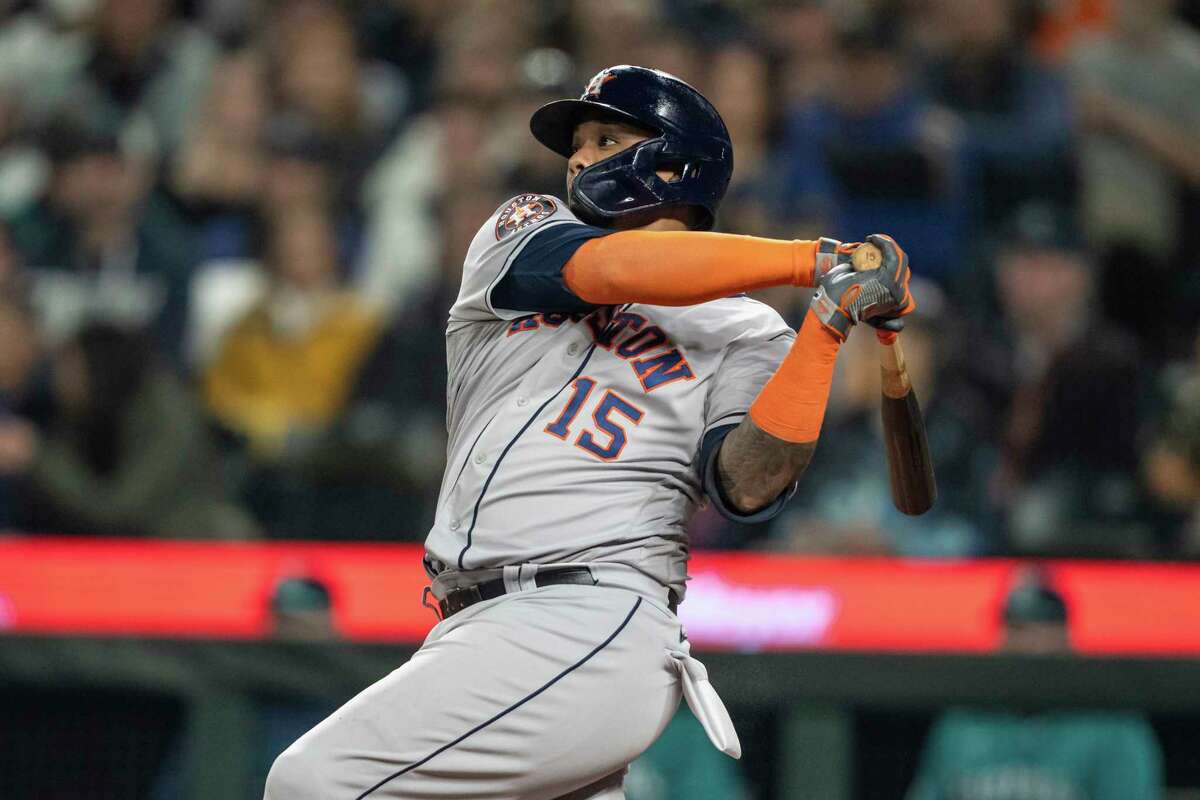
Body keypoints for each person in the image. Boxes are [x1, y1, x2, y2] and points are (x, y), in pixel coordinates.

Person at [264, 64, 916, 799]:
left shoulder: (747, 330)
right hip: (472, 626)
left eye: (605, 138)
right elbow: (615, 268)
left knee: (313, 782)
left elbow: (747, 486)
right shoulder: (522, 232)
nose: (578, 158)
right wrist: (814, 260)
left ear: (675, 164)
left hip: (590, 616)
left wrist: (825, 327)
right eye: (576, 143)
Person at [907, 568, 1164, 799]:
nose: (1029, 643)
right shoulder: (963, 722)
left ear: (1067, 638)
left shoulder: (1112, 724)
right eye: (1017, 629)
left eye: (1042, 629)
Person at [0, 323, 257, 539]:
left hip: (195, 550)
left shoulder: (165, 416)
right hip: (130, 552)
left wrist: (38, 458)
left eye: (71, 369)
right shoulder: (86, 412)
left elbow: (118, 512)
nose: (60, 381)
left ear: (100, 368)